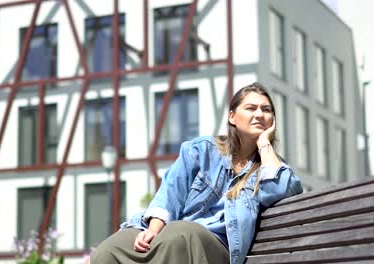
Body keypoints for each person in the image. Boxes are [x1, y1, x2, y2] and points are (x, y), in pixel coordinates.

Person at [90, 82, 303, 264]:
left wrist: (264, 143)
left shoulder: (270, 167)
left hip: (216, 246)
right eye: (251, 108)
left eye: (266, 110)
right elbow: (171, 191)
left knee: (180, 235)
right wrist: (153, 230)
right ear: (232, 117)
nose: (260, 114)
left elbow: (282, 191)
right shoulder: (201, 150)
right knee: (109, 250)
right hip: (174, 236)